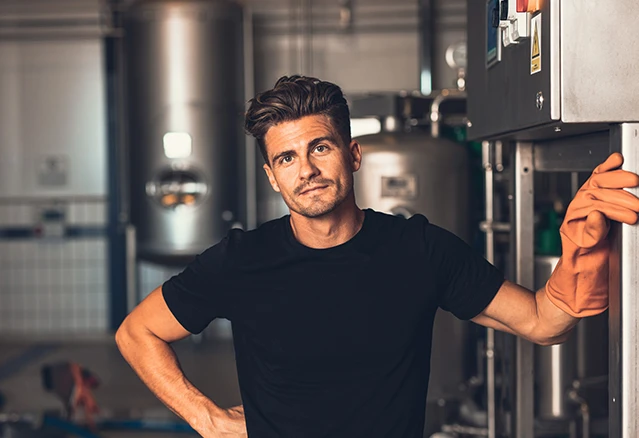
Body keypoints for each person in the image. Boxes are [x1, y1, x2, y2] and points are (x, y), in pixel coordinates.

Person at [115, 76, 639, 438]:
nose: (307, 170)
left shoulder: (418, 250)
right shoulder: (241, 260)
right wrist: (204, 417)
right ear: (273, 177)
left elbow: (544, 323)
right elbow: (137, 332)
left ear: (353, 153)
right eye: (286, 158)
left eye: (320, 147)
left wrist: (582, 251)